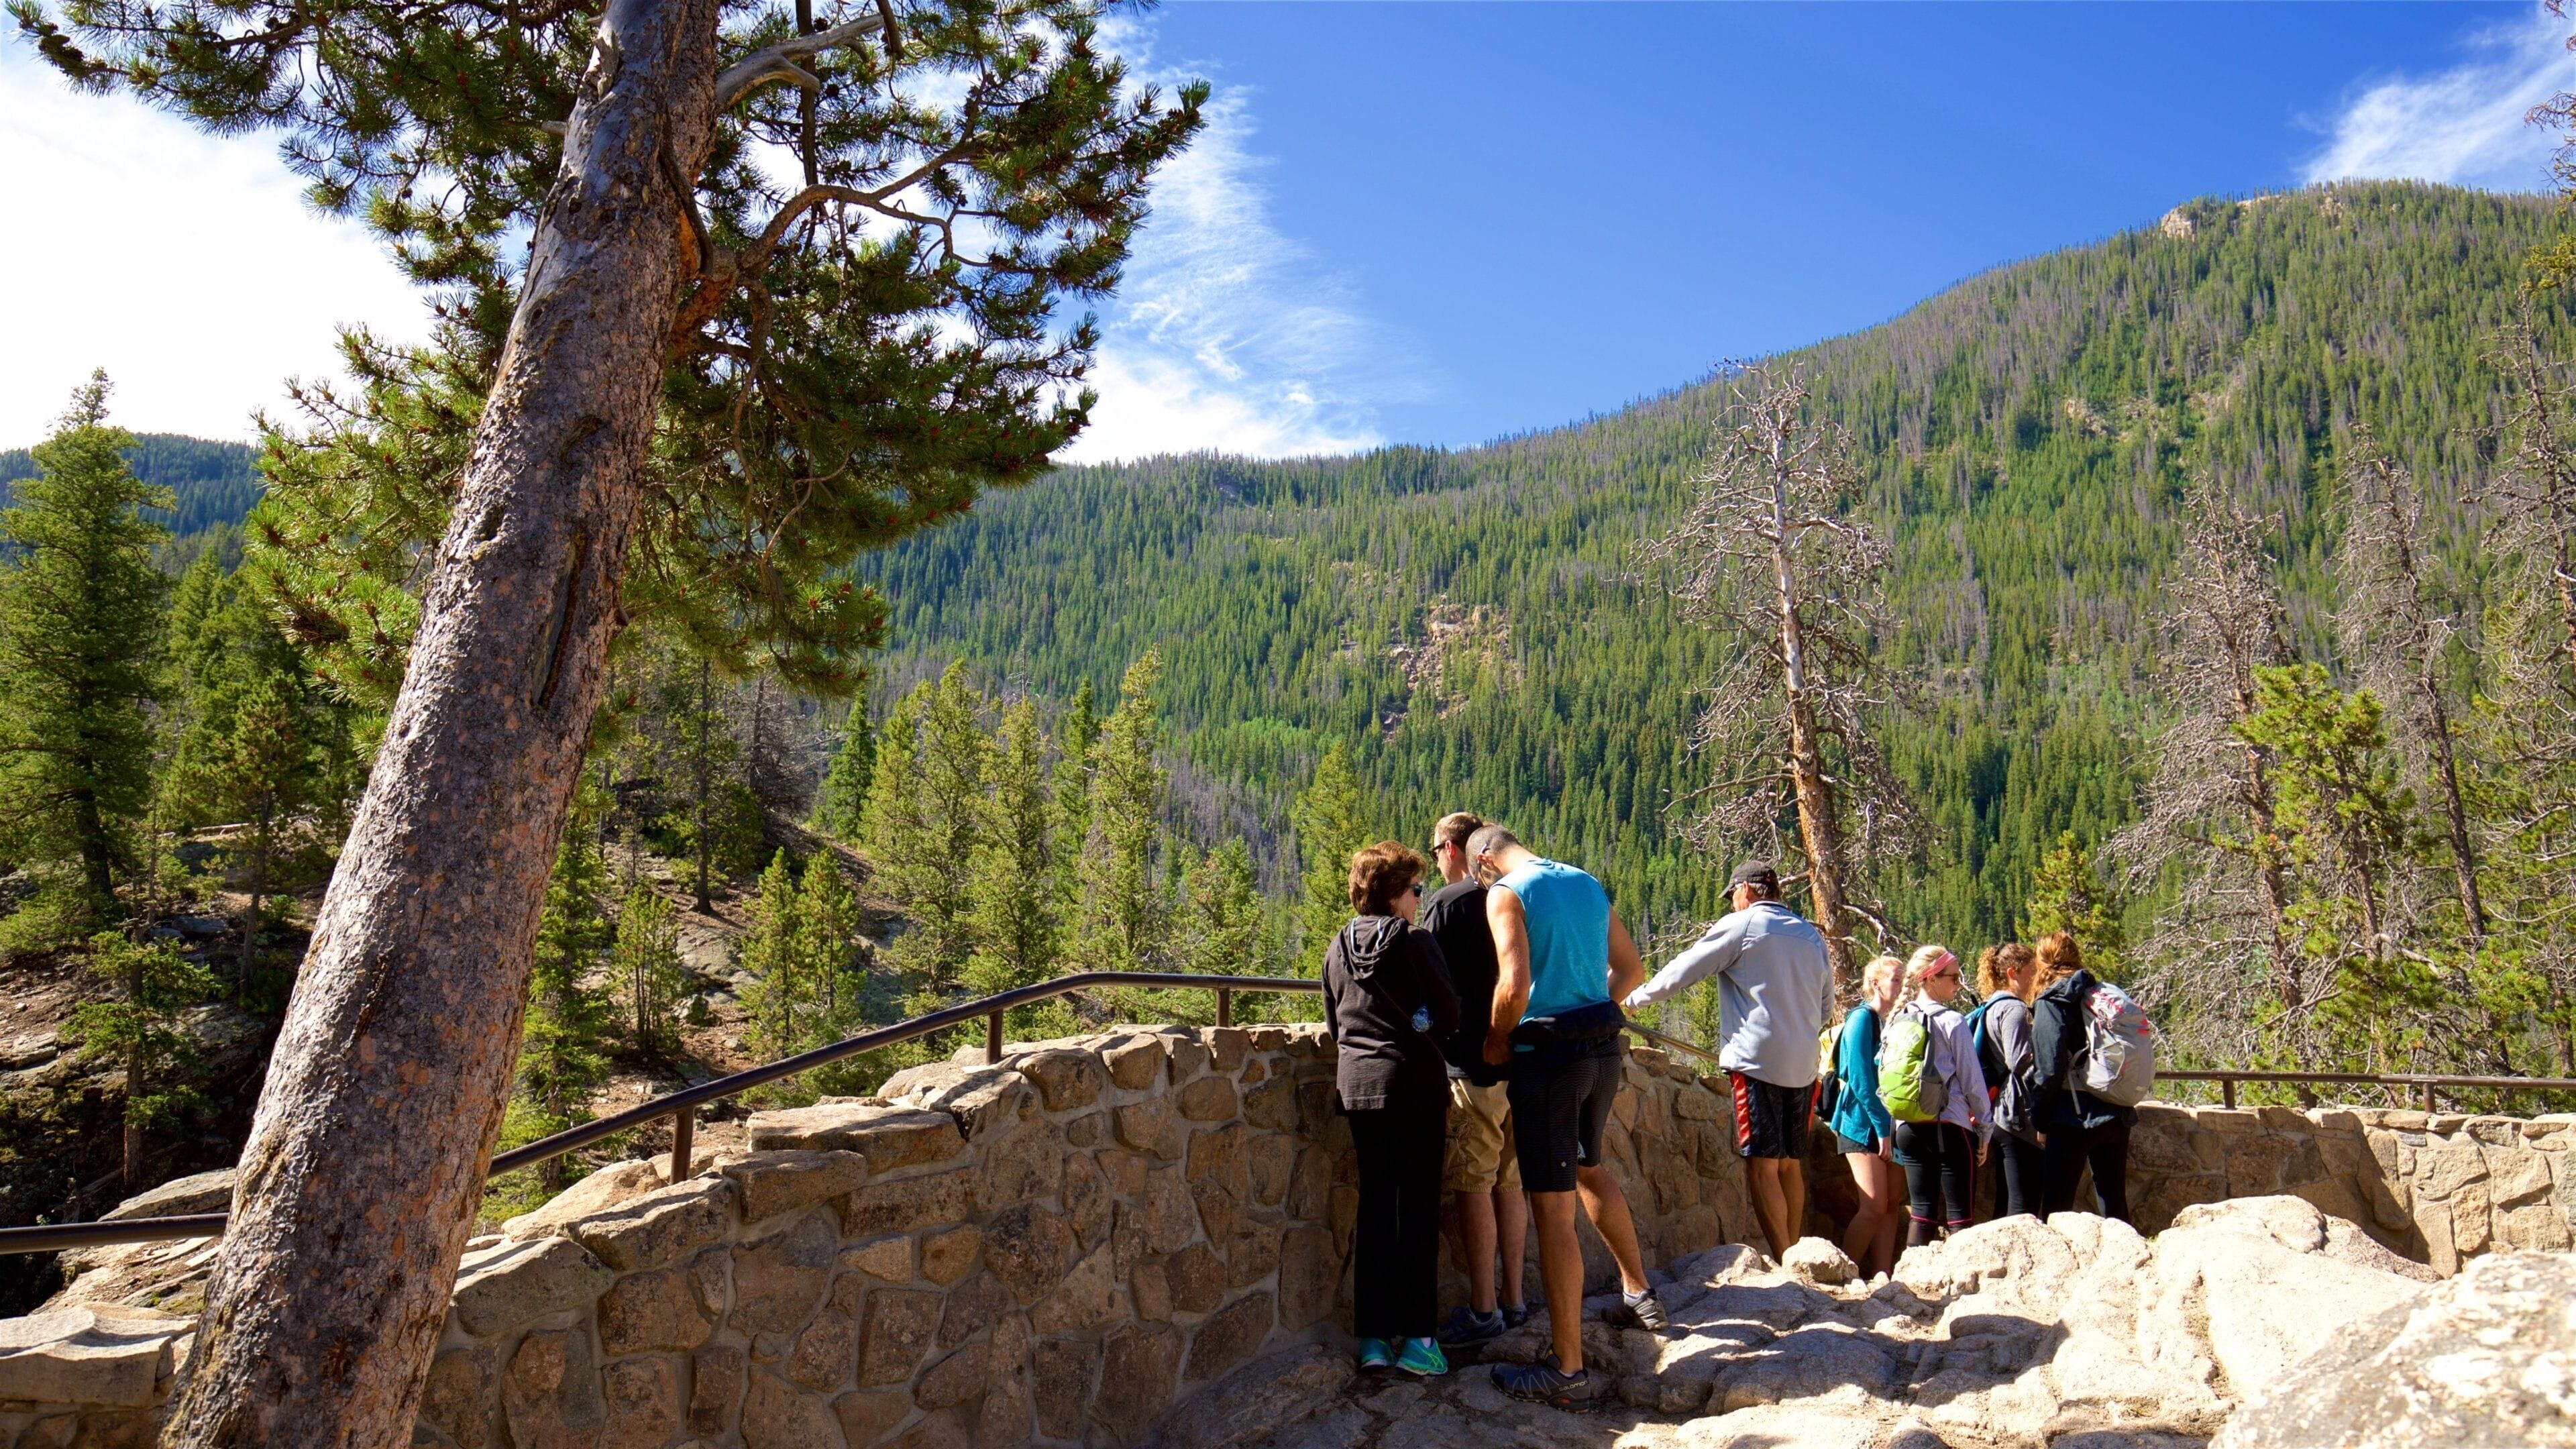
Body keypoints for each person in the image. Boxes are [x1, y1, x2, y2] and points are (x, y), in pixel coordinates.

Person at [1468, 824, 1662, 1408]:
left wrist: (1496, 1041)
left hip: (1549, 1062)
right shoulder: (1584, 881)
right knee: (1589, 1167)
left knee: (1553, 1209)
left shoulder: (1508, 892)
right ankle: (1640, 1294)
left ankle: (1567, 1368)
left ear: (1484, 861)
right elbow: (1632, 971)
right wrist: (1588, 1008)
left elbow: (1513, 986)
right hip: (1602, 1053)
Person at [1622, 861, 1835, 1263]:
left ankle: (1786, 1261)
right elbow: (1825, 1007)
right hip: (1804, 1064)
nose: (1732, 904)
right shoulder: (1811, 936)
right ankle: (1798, 1255)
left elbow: (1683, 970)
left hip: (1757, 1060)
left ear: (1746, 891)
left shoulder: (1743, 926)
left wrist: (1632, 1000)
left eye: (1732, 896)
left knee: (1762, 1165)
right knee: (1790, 1164)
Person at [1321, 841, 1462, 1379]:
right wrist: (1422, 1021)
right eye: (1415, 890)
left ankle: (1374, 1342)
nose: (1419, 899)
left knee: (1376, 1207)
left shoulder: (1337, 946)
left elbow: (1335, 1024)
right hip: (1415, 1087)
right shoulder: (1416, 942)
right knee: (1419, 1209)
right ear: (1394, 894)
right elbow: (1449, 1015)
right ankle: (1420, 1341)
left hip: (1359, 1088)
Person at [1420, 811, 1530, 1349]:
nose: (1436, 862)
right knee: (1510, 1184)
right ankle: (1515, 1300)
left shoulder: (1448, 904)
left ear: (1452, 849)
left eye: (1435, 851)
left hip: (1472, 1063)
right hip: (1523, 1064)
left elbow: (1423, 979)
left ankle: (1483, 1309)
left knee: (1473, 1183)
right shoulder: (1518, 896)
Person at [1885, 945, 1990, 1245]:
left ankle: (1910, 1274)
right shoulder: (1952, 1021)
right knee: (1960, 1219)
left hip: (1907, 1129)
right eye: (1954, 978)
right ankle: (1968, 1275)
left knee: (1921, 1214)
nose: (1959, 984)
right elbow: (1972, 1081)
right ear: (1931, 978)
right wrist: (1985, 1129)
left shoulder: (1896, 1020)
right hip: (1949, 1126)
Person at [2027, 931, 2135, 1222]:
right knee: (2114, 1206)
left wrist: (2040, 1119)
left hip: (2072, 1117)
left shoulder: (2052, 1001)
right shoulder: (2098, 994)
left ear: (2042, 961)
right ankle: (2125, 1252)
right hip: (2115, 1108)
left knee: (2056, 1209)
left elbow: (2049, 1070)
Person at [1824, 955, 1904, 1278]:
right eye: (1895, 980)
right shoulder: (1861, 1019)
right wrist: (1882, 1129)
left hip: (1887, 1124)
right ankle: (1843, 1276)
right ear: (1875, 983)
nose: (1902, 986)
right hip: (1860, 1123)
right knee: (1873, 1207)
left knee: (1891, 1204)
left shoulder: (1889, 1023)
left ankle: (1883, 1275)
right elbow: (1859, 1079)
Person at [1974, 943, 2045, 1219]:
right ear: (2013, 973)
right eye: (2032, 972)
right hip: (2017, 1118)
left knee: (2007, 1202)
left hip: (2000, 1113)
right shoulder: (2015, 1010)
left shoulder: (1992, 1006)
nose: (2036, 978)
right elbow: (2019, 1062)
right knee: (2022, 1206)